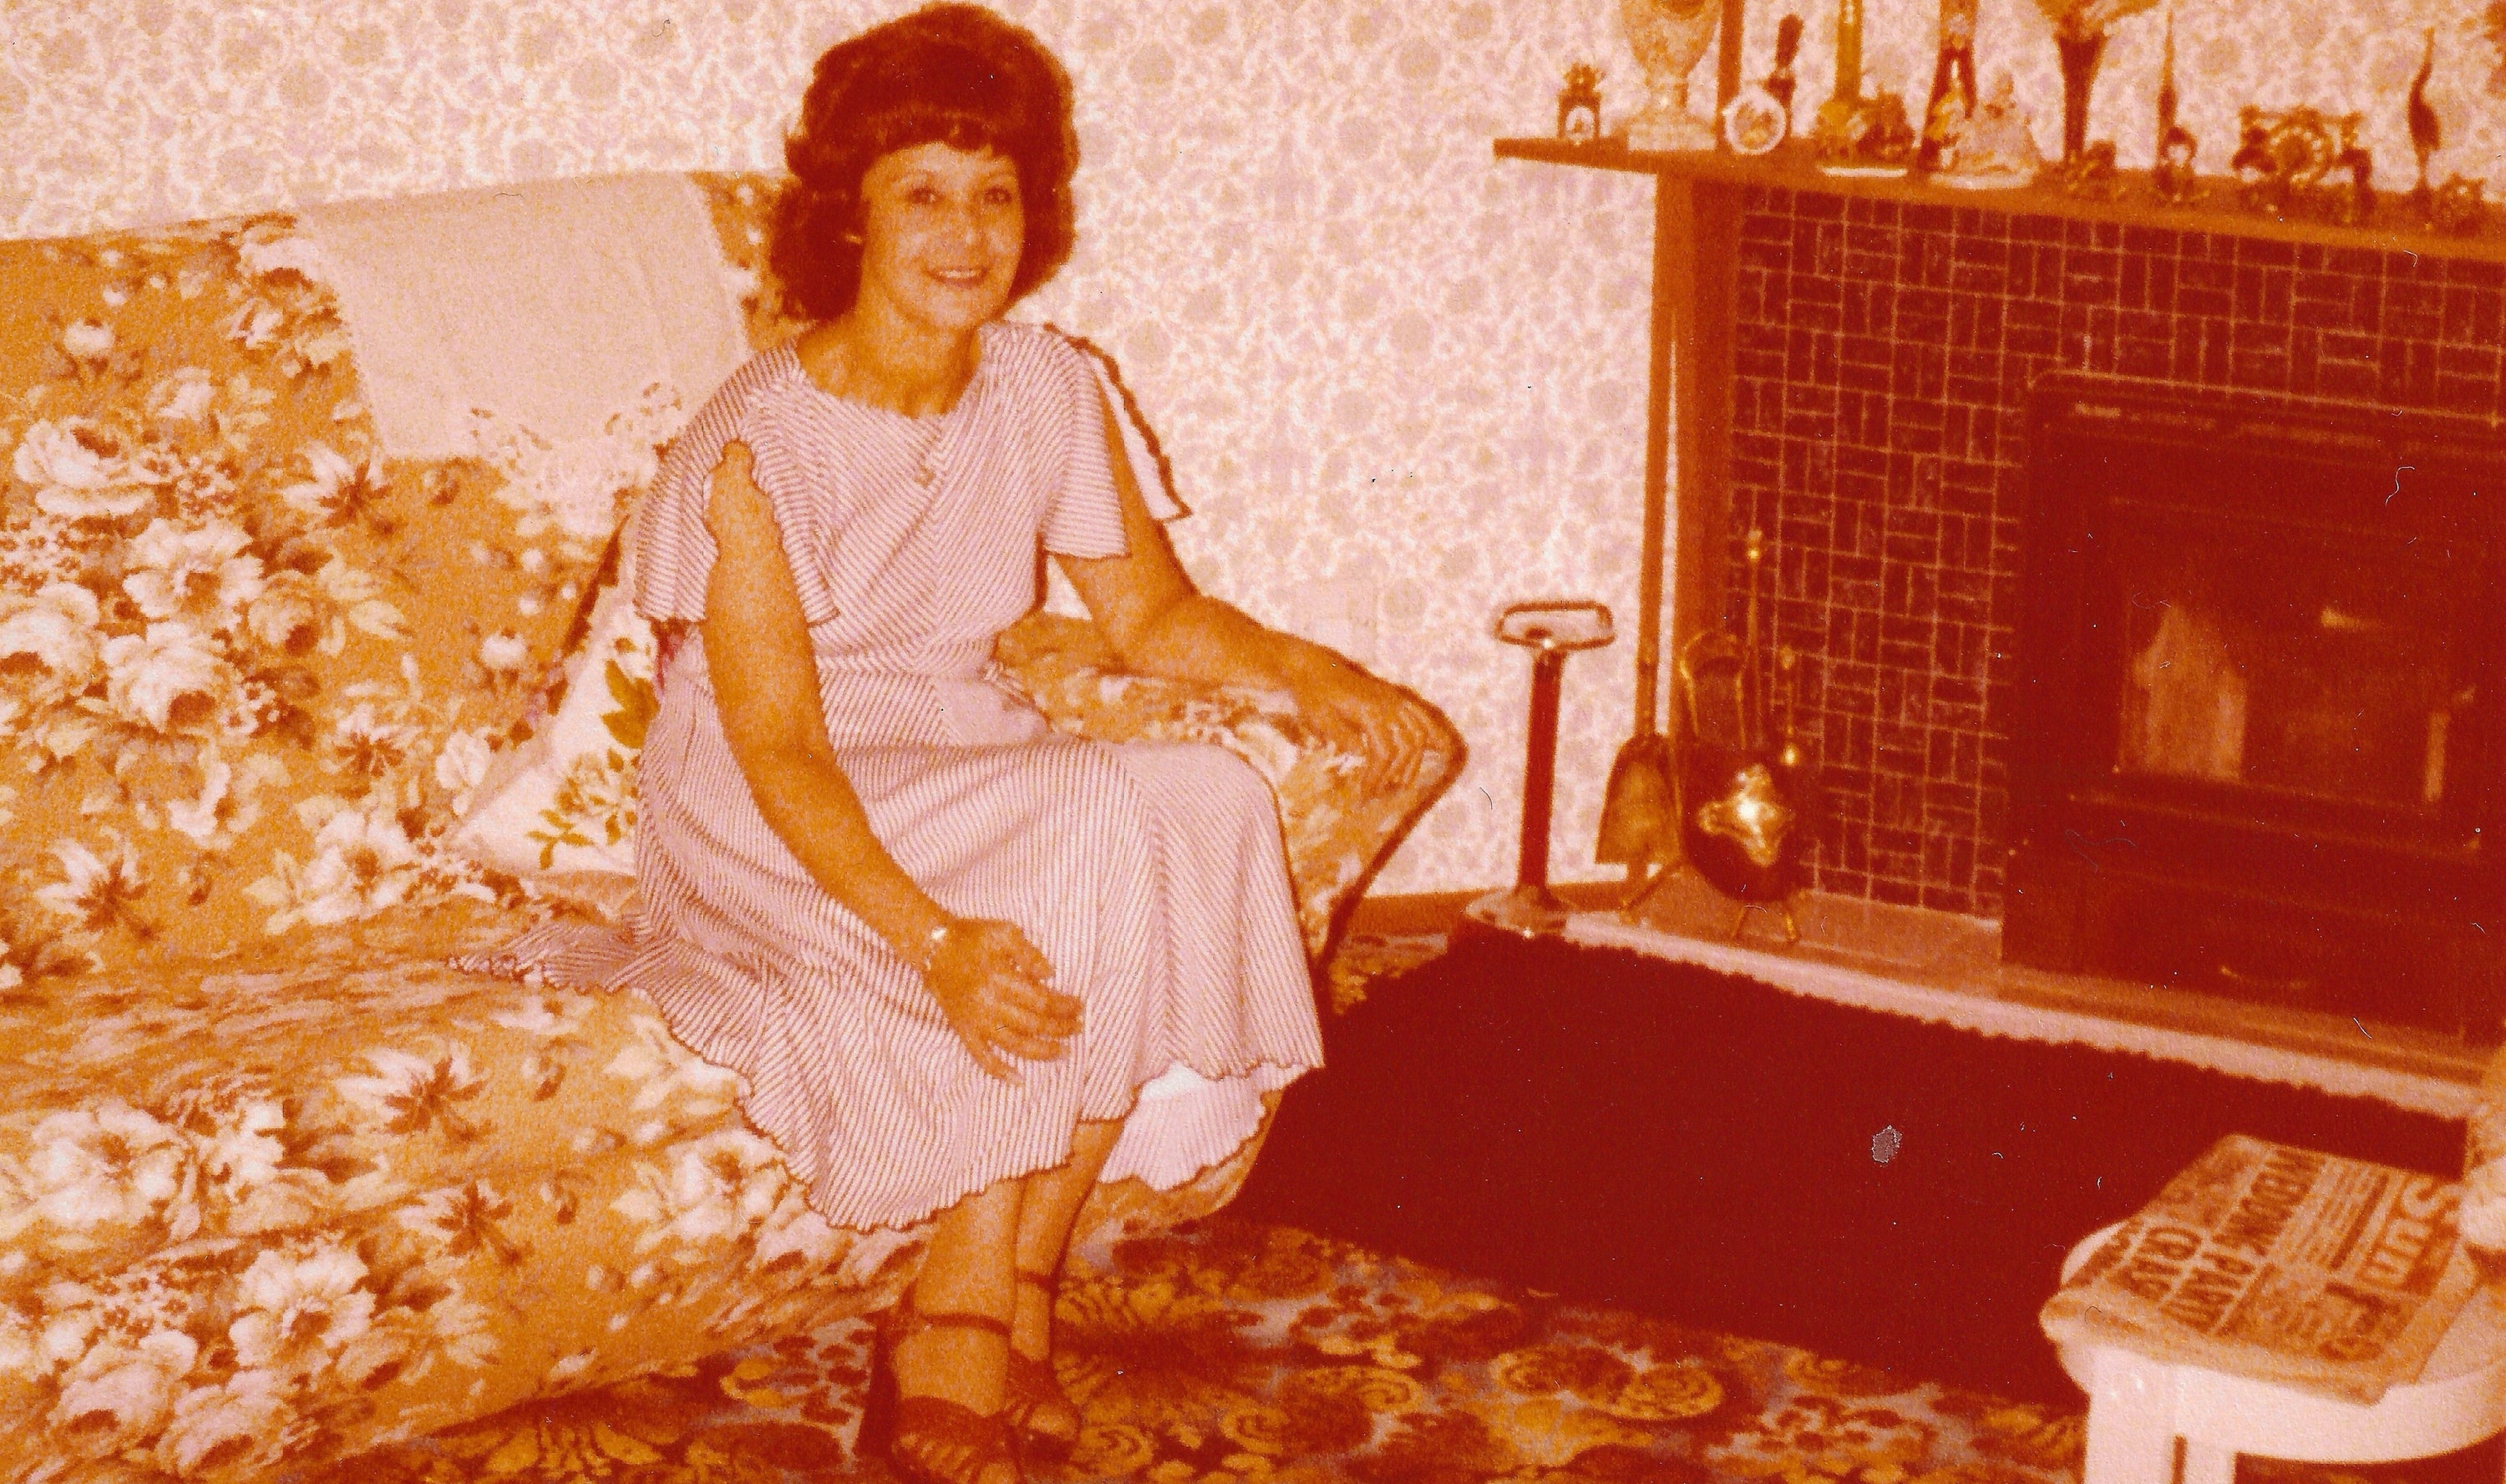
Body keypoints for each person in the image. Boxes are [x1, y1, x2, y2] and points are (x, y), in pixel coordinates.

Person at [610, 6, 1444, 1481]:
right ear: (849, 211)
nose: (965, 231)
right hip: (765, 789)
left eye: (996, 192)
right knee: (1079, 818)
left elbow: (1152, 615)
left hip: (949, 741)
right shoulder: (753, 442)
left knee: (1196, 796)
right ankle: (960, 1312)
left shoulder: (1050, 383)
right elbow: (780, 743)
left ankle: (1020, 1292)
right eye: (923, 189)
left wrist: (1315, 672)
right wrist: (929, 940)